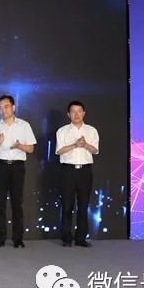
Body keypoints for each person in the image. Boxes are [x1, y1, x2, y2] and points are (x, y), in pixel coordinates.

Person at [0, 94, 36, 248]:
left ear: (13, 107)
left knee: (17, 204)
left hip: (17, 167)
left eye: (6, 107)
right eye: (0, 108)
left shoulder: (24, 125)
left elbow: (31, 149)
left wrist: (19, 146)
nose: (3, 110)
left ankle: (18, 239)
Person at [55, 100, 100, 248]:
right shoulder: (62, 131)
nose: (76, 114)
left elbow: (95, 150)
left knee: (83, 205)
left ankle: (81, 238)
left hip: (85, 171)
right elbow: (59, 151)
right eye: (73, 111)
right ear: (68, 114)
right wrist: (75, 145)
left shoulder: (91, 131)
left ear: (84, 113)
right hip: (67, 171)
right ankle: (67, 238)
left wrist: (85, 144)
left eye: (79, 111)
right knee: (67, 205)